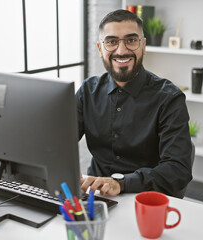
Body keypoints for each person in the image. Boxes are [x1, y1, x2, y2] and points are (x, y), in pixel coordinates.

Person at [77, 9, 192, 198]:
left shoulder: (169, 98)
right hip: (95, 196)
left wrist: (121, 183)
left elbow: (178, 169)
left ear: (143, 46)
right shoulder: (87, 91)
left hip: (145, 197)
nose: (121, 51)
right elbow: (58, 142)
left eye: (131, 40)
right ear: (100, 49)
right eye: (111, 42)